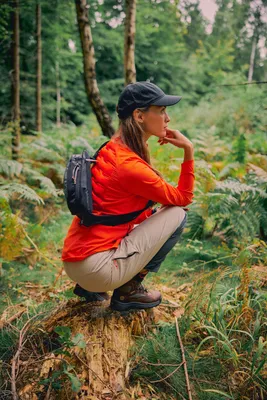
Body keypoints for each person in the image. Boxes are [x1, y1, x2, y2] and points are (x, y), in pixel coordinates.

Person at [61, 81, 195, 312]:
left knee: (154, 213)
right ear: (139, 115)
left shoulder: (111, 148)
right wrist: (188, 150)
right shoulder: (129, 166)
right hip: (97, 268)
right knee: (176, 214)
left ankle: (89, 288)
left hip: (77, 259)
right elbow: (183, 198)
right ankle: (128, 291)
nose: (168, 118)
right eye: (161, 110)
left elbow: (119, 209)